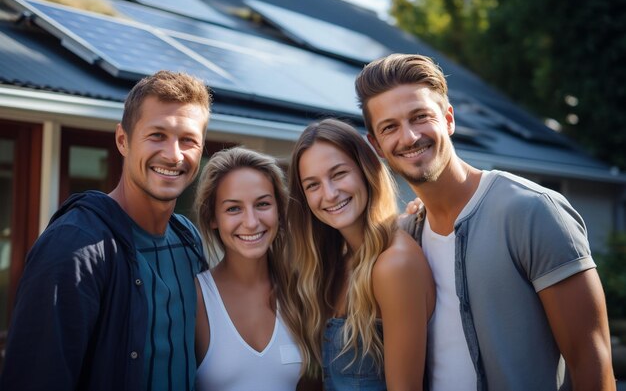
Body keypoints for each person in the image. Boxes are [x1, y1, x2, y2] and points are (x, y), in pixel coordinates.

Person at [355, 53, 616, 391]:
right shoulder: (407, 238)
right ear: (375, 144)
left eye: (420, 117)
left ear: (448, 119)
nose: (408, 137)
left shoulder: (531, 212)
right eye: (389, 127)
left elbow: (591, 363)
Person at [0, 71, 211, 391]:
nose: (173, 154)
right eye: (157, 135)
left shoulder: (188, 240)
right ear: (122, 140)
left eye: (188, 140)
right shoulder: (73, 247)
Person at [287, 118, 435, 391]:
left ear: (365, 169)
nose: (329, 194)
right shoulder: (337, 264)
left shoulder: (394, 264)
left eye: (339, 173)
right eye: (312, 185)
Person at [193, 147, 315, 391]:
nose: (251, 222)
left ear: (279, 211)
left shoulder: (300, 292)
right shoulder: (195, 296)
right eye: (233, 208)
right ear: (213, 218)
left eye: (262, 204)